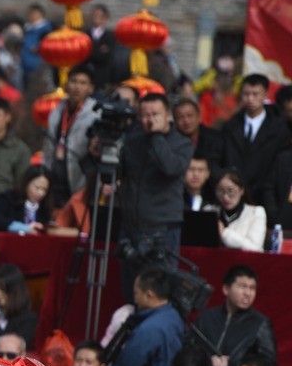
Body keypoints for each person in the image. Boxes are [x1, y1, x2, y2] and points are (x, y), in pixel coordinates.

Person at [112, 92, 194, 298]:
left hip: (161, 228)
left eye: (155, 114)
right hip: (130, 227)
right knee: (131, 290)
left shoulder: (182, 143)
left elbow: (170, 167)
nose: (150, 120)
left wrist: (157, 136)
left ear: (168, 115)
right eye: (145, 115)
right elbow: (116, 174)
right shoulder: (133, 141)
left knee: (158, 291)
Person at [190, 264, 277, 366]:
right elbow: (188, 348)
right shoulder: (206, 317)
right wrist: (208, 364)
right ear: (226, 289)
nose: (248, 293)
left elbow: (268, 363)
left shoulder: (260, 323)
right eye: (242, 286)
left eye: (252, 288)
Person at [108, 267, 186, 366]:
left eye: (136, 293)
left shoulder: (148, 329)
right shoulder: (174, 316)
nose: (135, 299)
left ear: (149, 295)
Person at [222, 73, 287, 219]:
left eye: (255, 94)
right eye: (246, 94)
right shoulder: (231, 126)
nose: (250, 99)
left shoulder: (279, 129)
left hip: (265, 199)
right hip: (234, 198)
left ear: (265, 95)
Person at [42, 65, 98, 208]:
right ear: (67, 84)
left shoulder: (96, 113)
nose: (77, 87)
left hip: (80, 177)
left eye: (82, 83)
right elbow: (48, 145)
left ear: (91, 88)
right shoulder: (57, 110)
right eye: (73, 81)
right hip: (55, 176)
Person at [206, 168, 267, 252]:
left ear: (241, 190)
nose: (225, 197)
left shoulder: (256, 212)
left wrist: (224, 233)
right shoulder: (209, 211)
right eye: (220, 191)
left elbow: (255, 248)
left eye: (230, 191)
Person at [0, 164, 53, 235]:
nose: (40, 193)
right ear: (26, 183)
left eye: (44, 189)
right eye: (37, 188)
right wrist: (24, 228)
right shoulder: (7, 199)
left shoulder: (44, 205)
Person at [172, 98, 225, 171]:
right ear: (175, 122)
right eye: (180, 117)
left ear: (199, 117)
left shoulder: (215, 138)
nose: (186, 121)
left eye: (190, 116)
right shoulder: (171, 142)